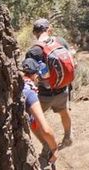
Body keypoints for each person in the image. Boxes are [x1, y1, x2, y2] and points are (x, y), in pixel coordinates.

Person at [27, 18, 75, 148]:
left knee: (32, 120)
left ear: (34, 33)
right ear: (49, 29)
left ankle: (47, 145)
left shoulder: (34, 50)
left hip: (44, 95)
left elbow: (29, 76)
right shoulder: (60, 41)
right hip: (63, 88)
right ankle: (68, 136)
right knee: (64, 111)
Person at [22, 57, 59, 169]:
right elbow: (46, 130)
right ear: (35, 76)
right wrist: (55, 148)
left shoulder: (14, 85)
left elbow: (33, 121)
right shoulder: (30, 92)